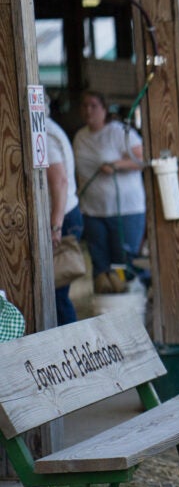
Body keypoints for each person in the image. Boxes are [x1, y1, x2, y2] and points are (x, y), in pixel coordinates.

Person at [73, 90, 147, 294]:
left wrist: (117, 164)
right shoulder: (80, 136)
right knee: (100, 265)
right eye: (85, 106)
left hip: (125, 211)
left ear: (105, 110)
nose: (89, 110)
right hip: (93, 211)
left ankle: (133, 307)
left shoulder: (119, 132)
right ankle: (103, 310)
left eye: (94, 106)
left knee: (124, 263)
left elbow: (141, 160)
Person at [46, 108, 84, 325]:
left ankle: (67, 345)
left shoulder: (45, 134)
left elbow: (59, 181)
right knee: (57, 293)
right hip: (65, 215)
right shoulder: (50, 130)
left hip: (62, 217)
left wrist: (55, 225)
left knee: (57, 294)